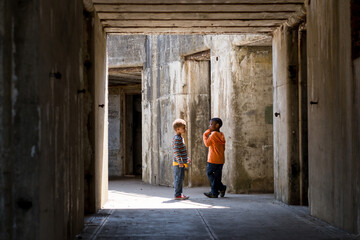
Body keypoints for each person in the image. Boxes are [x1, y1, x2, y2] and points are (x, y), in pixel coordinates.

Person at [203, 118, 226, 198]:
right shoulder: (222, 135)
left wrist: (205, 135)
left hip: (213, 159)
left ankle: (217, 190)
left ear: (217, 125)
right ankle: (218, 190)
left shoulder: (212, 135)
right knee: (217, 176)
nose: (209, 126)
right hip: (221, 159)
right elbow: (223, 148)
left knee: (209, 173)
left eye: (211, 124)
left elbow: (207, 144)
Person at [172, 119, 191, 200]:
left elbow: (181, 150)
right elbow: (176, 151)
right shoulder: (177, 139)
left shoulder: (180, 138)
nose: (185, 129)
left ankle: (179, 194)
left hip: (181, 162)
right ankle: (177, 195)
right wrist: (180, 162)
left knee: (180, 178)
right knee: (178, 179)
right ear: (177, 129)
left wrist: (186, 159)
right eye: (183, 128)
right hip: (178, 163)